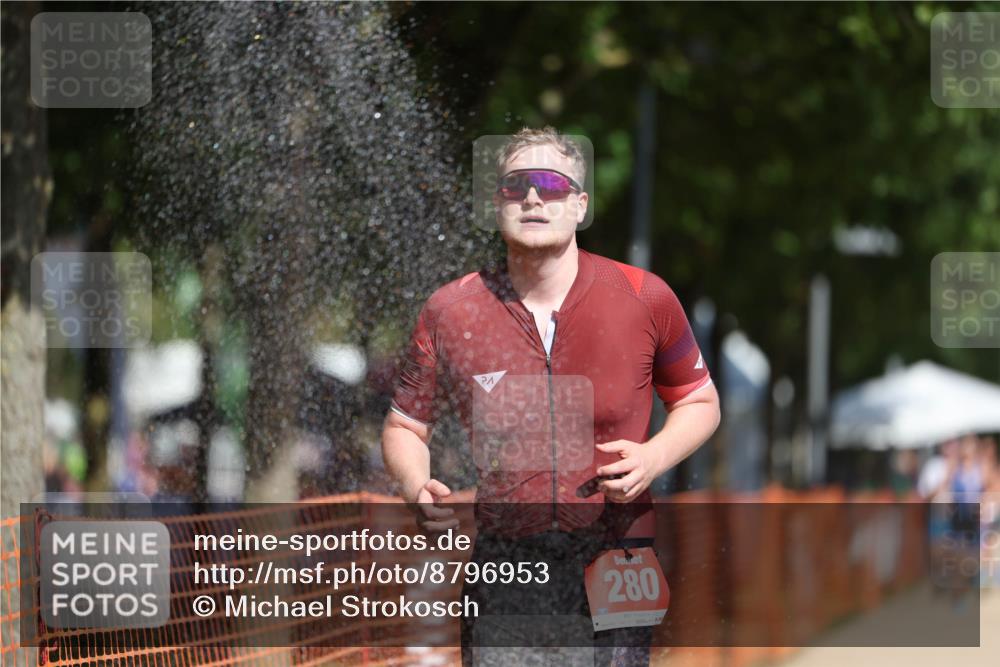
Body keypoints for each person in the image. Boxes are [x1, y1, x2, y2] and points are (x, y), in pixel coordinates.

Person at [382, 127, 721, 666]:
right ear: (498, 203)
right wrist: (414, 484)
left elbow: (700, 402)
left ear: (580, 204)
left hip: (618, 555)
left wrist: (653, 457)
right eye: (516, 186)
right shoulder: (451, 311)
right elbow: (404, 426)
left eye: (552, 185)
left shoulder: (644, 297)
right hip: (508, 564)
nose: (534, 198)